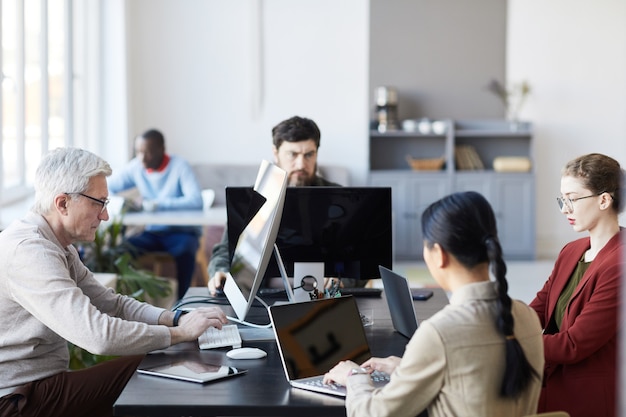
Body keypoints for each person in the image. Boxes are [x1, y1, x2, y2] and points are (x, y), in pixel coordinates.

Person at [0, 147, 227, 417]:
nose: (105, 216)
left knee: (163, 358)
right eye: (99, 203)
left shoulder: (57, 243)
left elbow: (112, 304)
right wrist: (180, 335)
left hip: (42, 383)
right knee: (157, 366)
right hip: (19, 398)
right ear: (62, 204)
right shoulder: (30, 252)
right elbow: (98, 336)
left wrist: (175, 319)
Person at [323, 191, 545, 417]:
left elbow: (373, 414)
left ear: (438, 254)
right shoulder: (526, 316)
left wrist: (354, 376)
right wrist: (408, 369)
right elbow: (475, 380)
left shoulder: (439, 333)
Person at [529, 153, 624, 417]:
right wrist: (499, 319)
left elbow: (574, 345)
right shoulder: (571, 251)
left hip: (584, 398)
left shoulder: (619, 265)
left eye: (572, 199)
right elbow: (536, 310)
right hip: (549, 382)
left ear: (604, 200)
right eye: (563, 199)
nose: (564, 209)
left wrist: (515, 342)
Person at [207, 115, 342, 295]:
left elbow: (358, 257)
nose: (301, 164)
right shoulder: (253, 199)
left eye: (309, 154)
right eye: (292, 154)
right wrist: (220, 272)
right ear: (275, 152)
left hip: (322, 295)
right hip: (261, 295)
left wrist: (341, 279)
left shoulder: (338, 196)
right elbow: (225, 250)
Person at [108, 128, 203, 300]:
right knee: (121, 250)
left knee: (185, 251)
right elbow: (108, 187)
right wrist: (123, 204)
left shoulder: (180, 166)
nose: (143, 158)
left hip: (181, 233)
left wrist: (157, 204)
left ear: (161, 149)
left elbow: (196, 200)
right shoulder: (137, 167)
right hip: (153, 233)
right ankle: (127, 300)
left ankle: (183, 302)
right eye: (139, 152)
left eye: (148, 152)